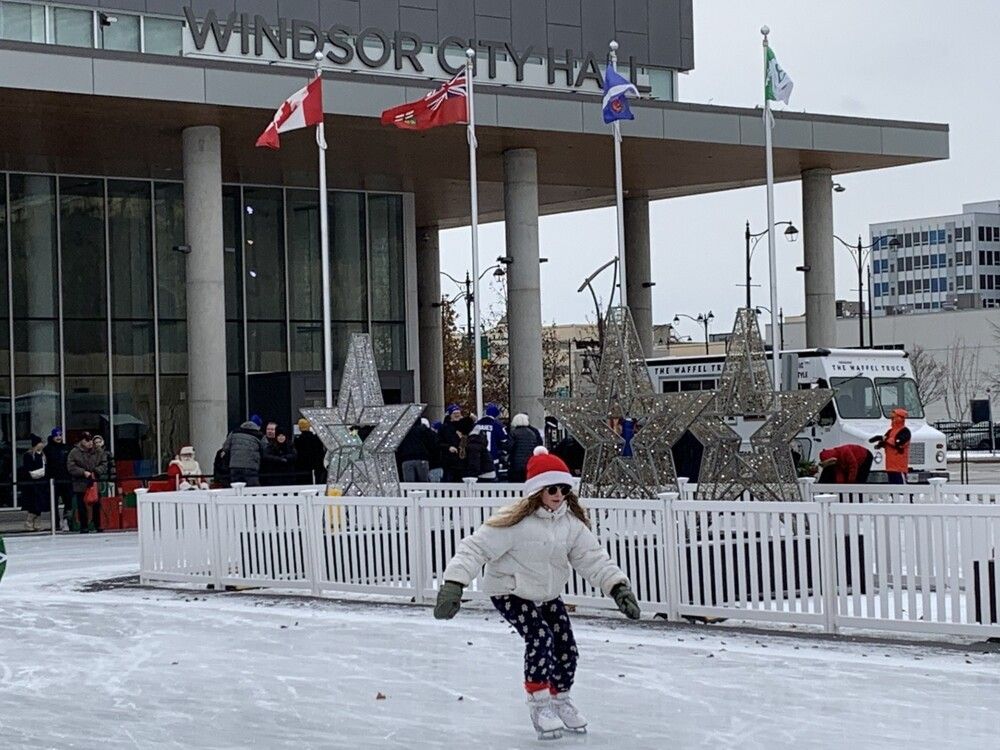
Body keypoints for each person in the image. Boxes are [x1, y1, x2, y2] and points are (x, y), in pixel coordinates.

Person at [434, 447, 640, 740]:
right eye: (552, 488)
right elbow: (475, 548)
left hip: (547, 594)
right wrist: (454, 584)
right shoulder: (514, 522)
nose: (558, 495)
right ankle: (539, 704)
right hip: (510, 590)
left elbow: (593, 558)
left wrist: (618, 587)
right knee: (540, 637)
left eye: (564, 489)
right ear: (537, 491)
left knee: (566, 648)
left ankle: (560, 698)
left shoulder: (571, 524)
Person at [66, 432, 103, 533]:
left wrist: (96, 470)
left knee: (96, 504)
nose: (90, 442)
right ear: (81, 441)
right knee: (81, 505)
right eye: (87, 440)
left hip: (94, 481)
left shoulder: (98, 451)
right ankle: (84, 526)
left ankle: (97, 524)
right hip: (80, 483)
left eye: (91, 440)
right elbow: (71, 467)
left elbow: (104, 463)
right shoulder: (74, 452)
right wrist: (83, 472)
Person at [870, 408, 911, 484]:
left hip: (899, 467)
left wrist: (883, 439)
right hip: (890, 466)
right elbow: (887, 440)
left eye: (894, 417)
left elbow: (898, 443)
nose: (892, 419)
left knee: (902, 489)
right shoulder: (890, 431)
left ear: (900, 418)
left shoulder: (905, 431)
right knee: (893, 488)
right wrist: (880, 444)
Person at [222, 419, 266, 487]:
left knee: (236, 489)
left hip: (234, 466)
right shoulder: (259, 435)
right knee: (253, 490)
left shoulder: (234, 432)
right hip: (251, 467)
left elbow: (225, 448)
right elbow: (265, 450)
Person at [44, 428, 72, 531]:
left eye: (60, 435)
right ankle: (55, 523)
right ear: (53, 436)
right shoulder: (47, 449)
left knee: (68, 501)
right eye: (56, 436)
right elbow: (46, 465)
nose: (59, 437)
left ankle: (66, 520)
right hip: (53, 480)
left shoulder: (66, 448)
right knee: (53, 503)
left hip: (66, 478)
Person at [18, 434, 47, 531]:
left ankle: (37, 522)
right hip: (32, 484)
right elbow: (28, 470)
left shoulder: (43, 455)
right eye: (40, 443)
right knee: (34, 504)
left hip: (41, 483)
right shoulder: (29, 455)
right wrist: (37, 473)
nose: (42, 445)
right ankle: (29, 522)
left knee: (40, 504)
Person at [397, 417, 438, 482]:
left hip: (407, 459)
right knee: (424, 484)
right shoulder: (423, 430)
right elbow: (434, 442)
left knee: (409, 486)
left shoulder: (402, 431)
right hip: (421, 458)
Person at [454, 416, 494, 481]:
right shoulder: (476, 439)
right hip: (485, 474)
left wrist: (465, 475)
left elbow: (474, 465)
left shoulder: (473, 444)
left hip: (483, 476)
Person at [473, 403, 508, 477]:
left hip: (478, 457)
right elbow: (504, 440)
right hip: (493, 456)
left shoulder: (477, 424)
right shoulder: (497, 425)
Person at [506, 413, 543, 483]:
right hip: (529, 463)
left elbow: (509, 447)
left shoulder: (514, 433)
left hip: (516, 464)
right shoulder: (532, 433)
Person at [293, 418, 327, 485]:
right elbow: (320, 453)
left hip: (303, 468)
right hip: (317, 467)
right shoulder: (316, 438)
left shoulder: (298, 440)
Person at [438, 405, 464, 481]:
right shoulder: (444, 428)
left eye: (458, 413)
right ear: (450, 415)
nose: (457, 415)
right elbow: (438, 443)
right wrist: (448, 447)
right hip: (449, 462)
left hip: (461, 461)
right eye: (455, 413)